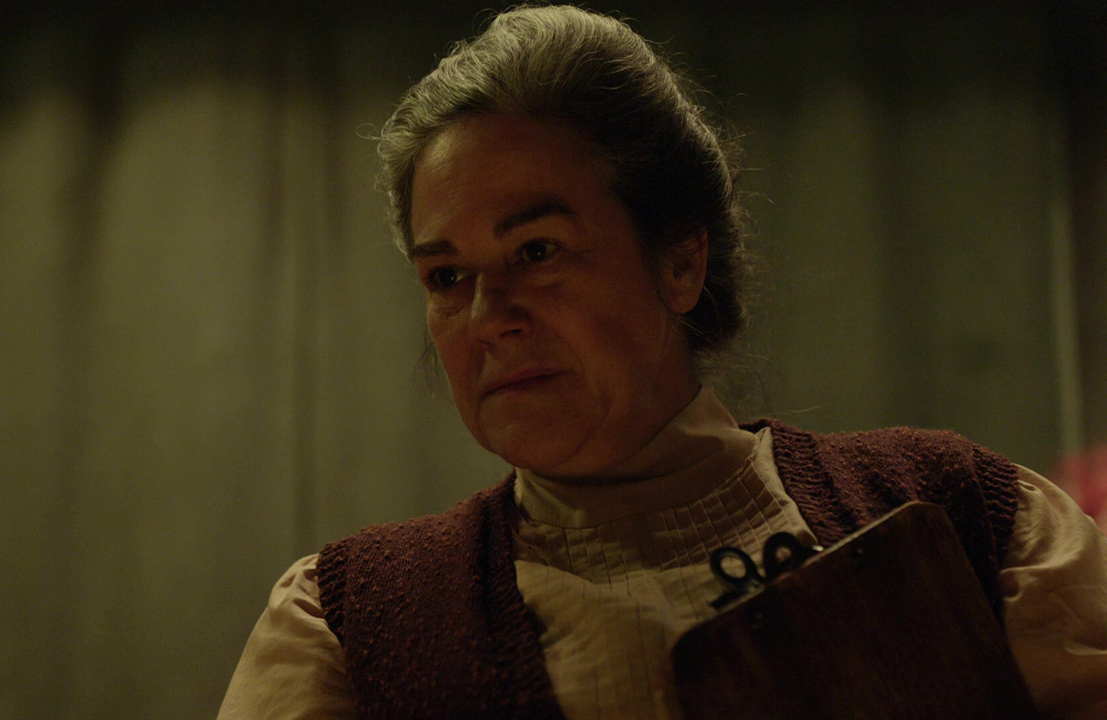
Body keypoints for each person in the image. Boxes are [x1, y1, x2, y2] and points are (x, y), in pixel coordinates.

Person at [218, 5, 1107, 718]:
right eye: (447, 276)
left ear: (681, 261)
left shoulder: (971, 516)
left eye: (537, 251)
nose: (488, 319)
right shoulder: (345, 622)